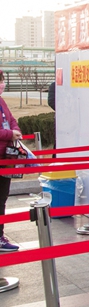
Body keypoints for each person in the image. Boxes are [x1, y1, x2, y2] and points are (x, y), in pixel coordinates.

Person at [0, 70, 22, 252]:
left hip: (5, 157)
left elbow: (11, 119)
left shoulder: (1, 101)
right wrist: (9, 134)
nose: (2, 84)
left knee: (2, 197)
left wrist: (16, 130)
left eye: (2, 80)